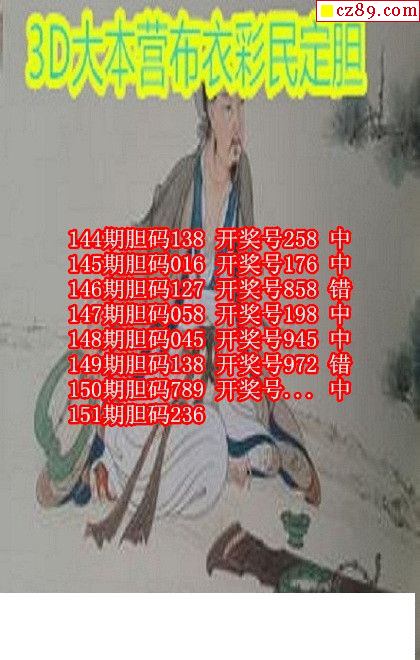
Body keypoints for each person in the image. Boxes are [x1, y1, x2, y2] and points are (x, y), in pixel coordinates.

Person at [36, 85, 321, 546]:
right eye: (228, 108)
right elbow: (148, 248)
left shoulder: (242, 179)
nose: (238, 123)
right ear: (208, 111)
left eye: (242, 109)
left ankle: (142, 471)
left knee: (218, 449)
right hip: (166, 334)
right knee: (126, 399)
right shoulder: (184, 177)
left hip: (216, 350)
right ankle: (94, 467)